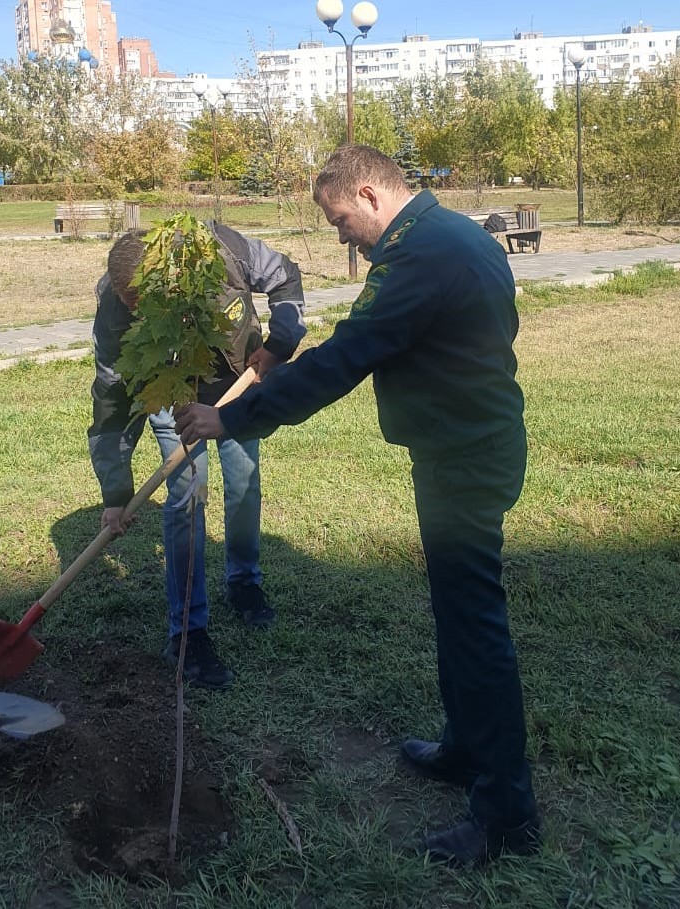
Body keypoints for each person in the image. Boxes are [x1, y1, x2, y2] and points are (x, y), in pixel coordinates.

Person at [174, 146, 540, 865]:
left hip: (464, 459)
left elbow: (347, 355)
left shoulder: (423, 253)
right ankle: (466, 749)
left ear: (368, 195)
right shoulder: (447, 234)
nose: (341, 235)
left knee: (475, 632)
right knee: (456, 615)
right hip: (461, 447)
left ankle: (507, 815)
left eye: (340, 218)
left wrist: (236, 417)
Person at [88, 224, 306, 690]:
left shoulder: (223, 251)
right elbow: (111, 399)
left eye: (146, 306)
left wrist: (279, 345)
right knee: (187, 498)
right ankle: (188, 630)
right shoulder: (113, 306)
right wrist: (116, 492)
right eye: (133, 310)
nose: (138, 315)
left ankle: (244, 582)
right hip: (175, 395)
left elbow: (286, 276)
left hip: (236, 384)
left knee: (244, 483)